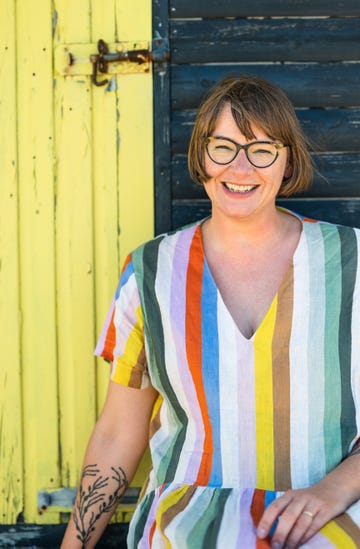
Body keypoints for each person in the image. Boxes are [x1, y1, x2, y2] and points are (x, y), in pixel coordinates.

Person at [61, 75, 360, 548]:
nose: (240, 168)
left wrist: (335, 489)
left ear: (287, 164)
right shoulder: (150, 271)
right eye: (223, 146)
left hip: (328, 522)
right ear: (201, 156)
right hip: (186, 525)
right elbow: (120, 429)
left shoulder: (354, 261)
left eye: (262, 149)